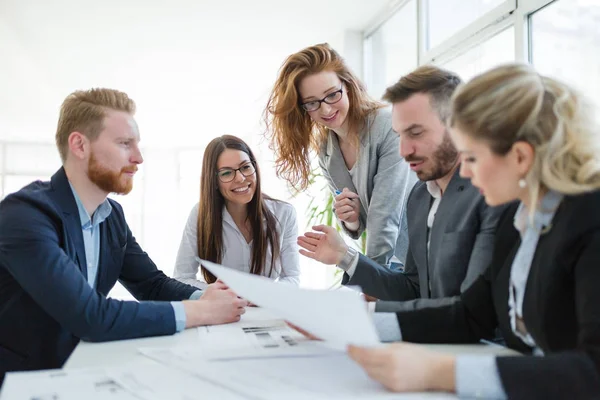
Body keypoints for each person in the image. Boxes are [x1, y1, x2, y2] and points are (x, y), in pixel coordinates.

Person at [347, 64, 600, 399]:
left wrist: (441, 372)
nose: (464, 171)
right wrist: (355, 319)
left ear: (521, 157)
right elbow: (469, 314)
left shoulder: (589, 218)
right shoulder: (523, 219)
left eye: (472, 157)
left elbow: (593, 369)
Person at [0, 88, 247, 383]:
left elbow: (151, 285)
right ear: (79, 145)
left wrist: (209, 295)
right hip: (21, 380)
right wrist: (202, 311)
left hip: (82, 368)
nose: (138, 157)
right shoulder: (24, 215)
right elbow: (90, 315)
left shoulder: (111, 215)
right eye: (124, 143)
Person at [297, 65, 505, 317]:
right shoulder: (419, 198)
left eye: (415, 133)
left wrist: (366, 322)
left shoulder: (490, 194)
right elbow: (413, 290)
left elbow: (473, 315)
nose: (404, 150)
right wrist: (345, 256)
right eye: (400, 135)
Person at [264, 43, 416, 268]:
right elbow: (362, 223)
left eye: (332, 95)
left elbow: (385, 218)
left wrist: (373, 280)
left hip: (421, 254)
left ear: (348, 86)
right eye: (312, 103)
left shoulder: (387, 126)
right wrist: (352, 219)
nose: (325, 110)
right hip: (393, 264)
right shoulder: (327, 151)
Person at [174, 135, 300, 288]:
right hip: (220, 309)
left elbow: (292, 278)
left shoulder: (284, 213)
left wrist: (263, 294)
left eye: (245, 167)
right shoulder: (201, 215)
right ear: (214, 181)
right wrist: (225, 293)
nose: (240, 178)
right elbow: (182, 278)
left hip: (266, 310)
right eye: (226, 173)